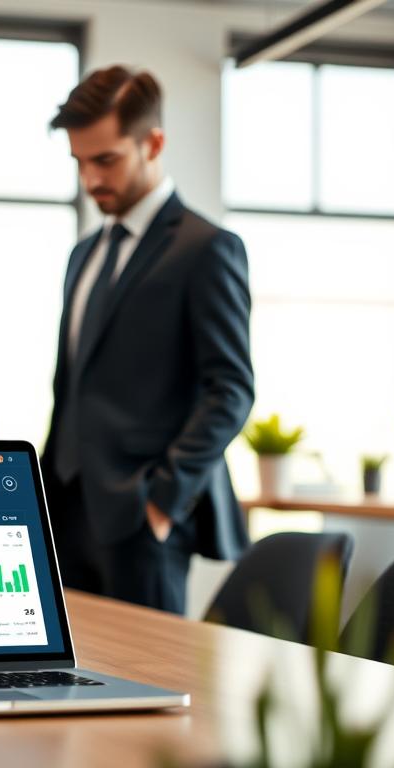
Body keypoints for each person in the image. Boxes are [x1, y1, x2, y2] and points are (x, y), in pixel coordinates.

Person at [41, 65, 254, 615]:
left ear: (152, 143)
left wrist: (162, 502)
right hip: (65, 514)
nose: (90, 180)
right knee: (67, 681)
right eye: (80, 162)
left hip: (142, 521)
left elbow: (230, 390)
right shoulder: (82, 255)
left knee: (147, 689)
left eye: (105, 159)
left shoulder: (207, 249)